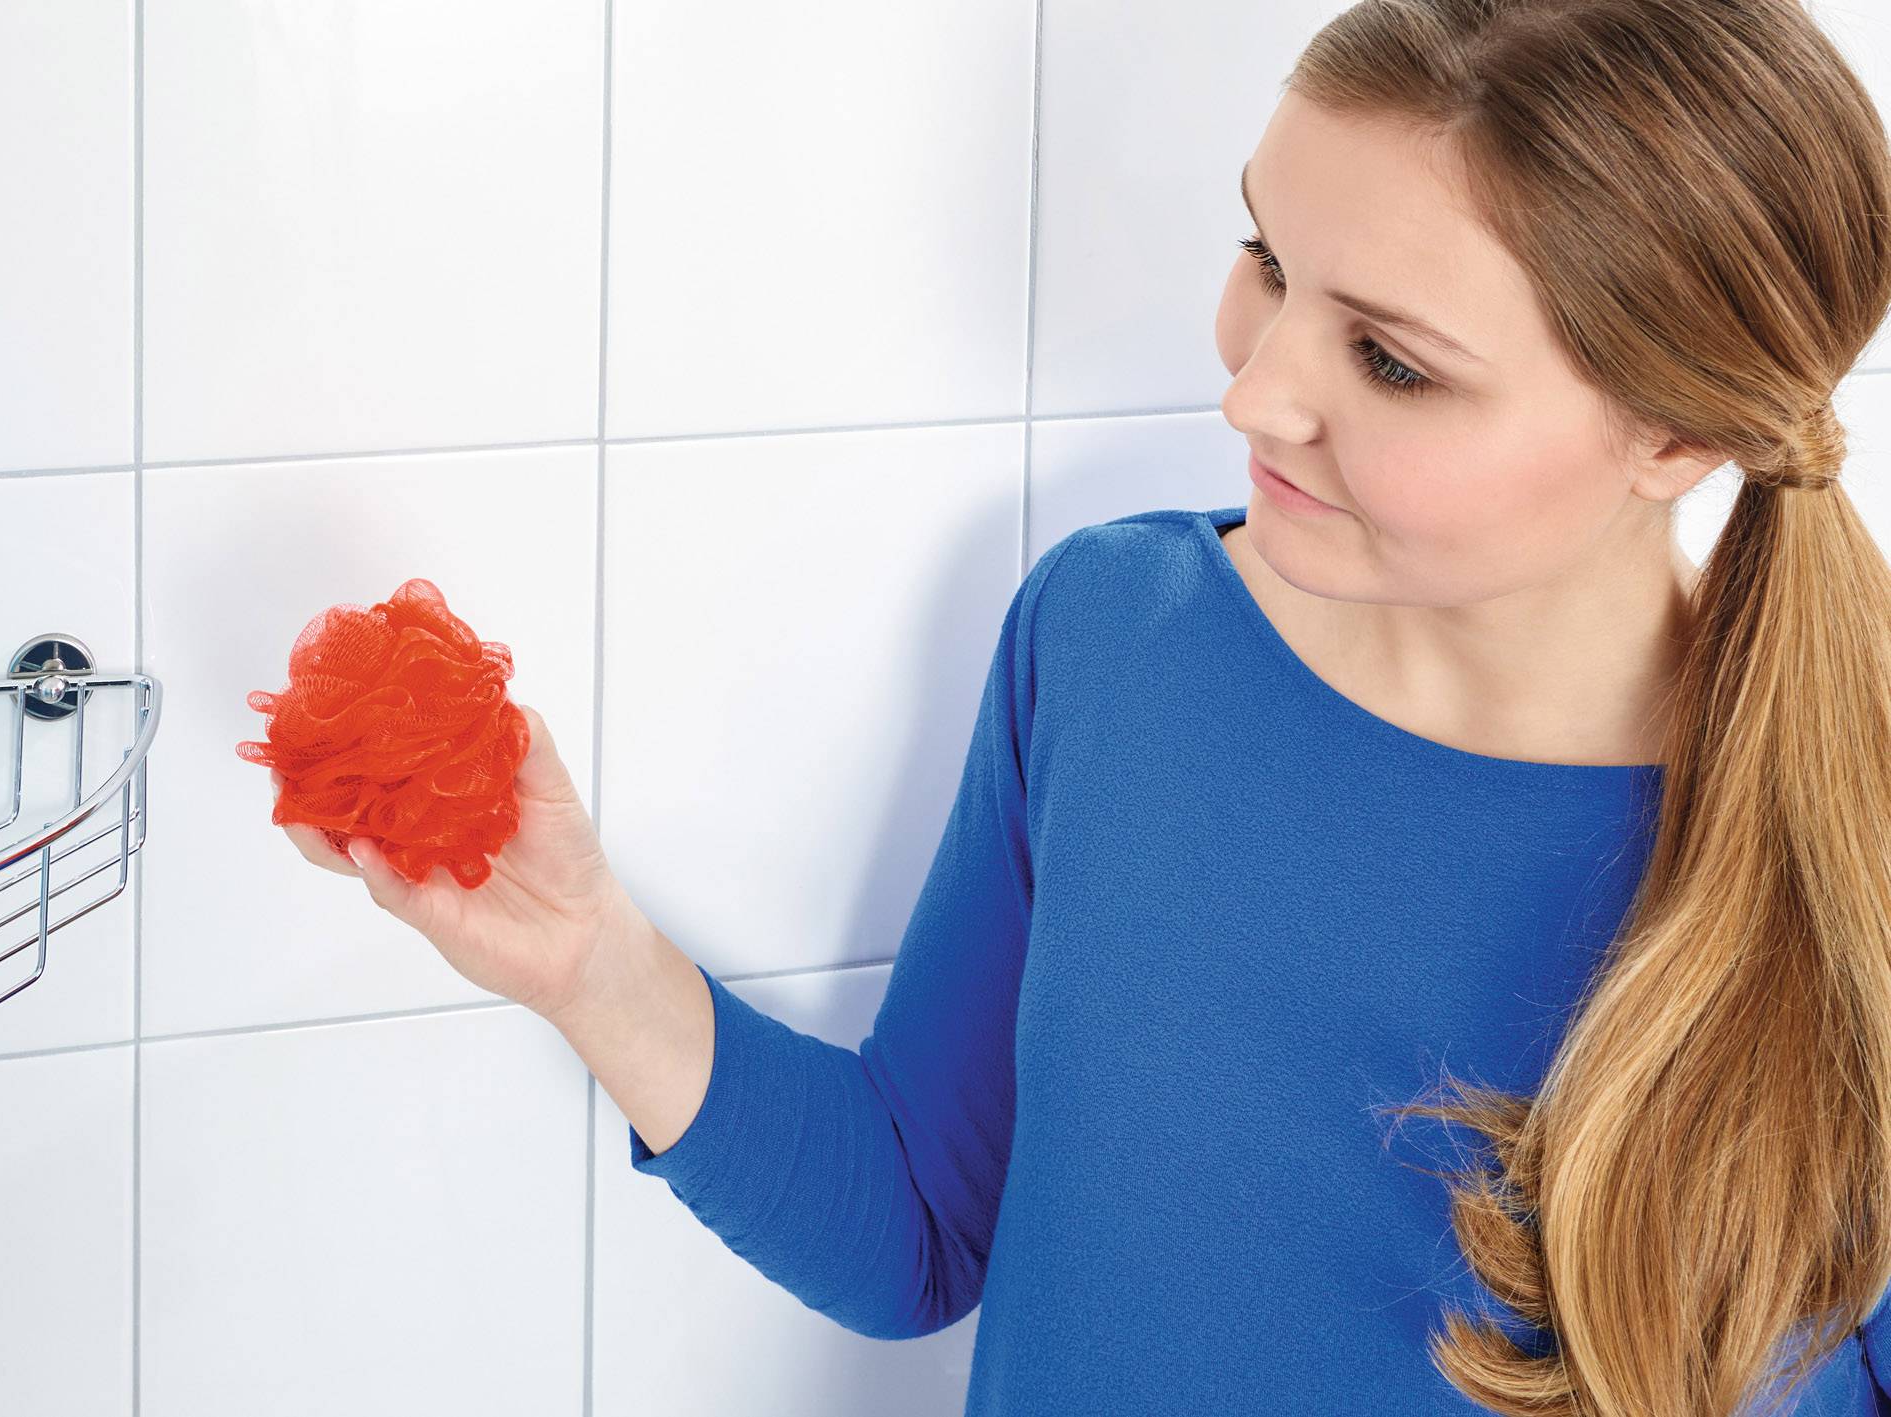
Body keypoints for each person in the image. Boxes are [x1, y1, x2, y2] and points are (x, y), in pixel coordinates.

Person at [273, 0, 1891, 1410]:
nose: (1253, 388)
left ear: (1676, 439)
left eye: (1391, 361)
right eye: (1265, 257)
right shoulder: (1117, 634)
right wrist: (592, 962)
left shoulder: (1854, 847)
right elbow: (922, 1223)